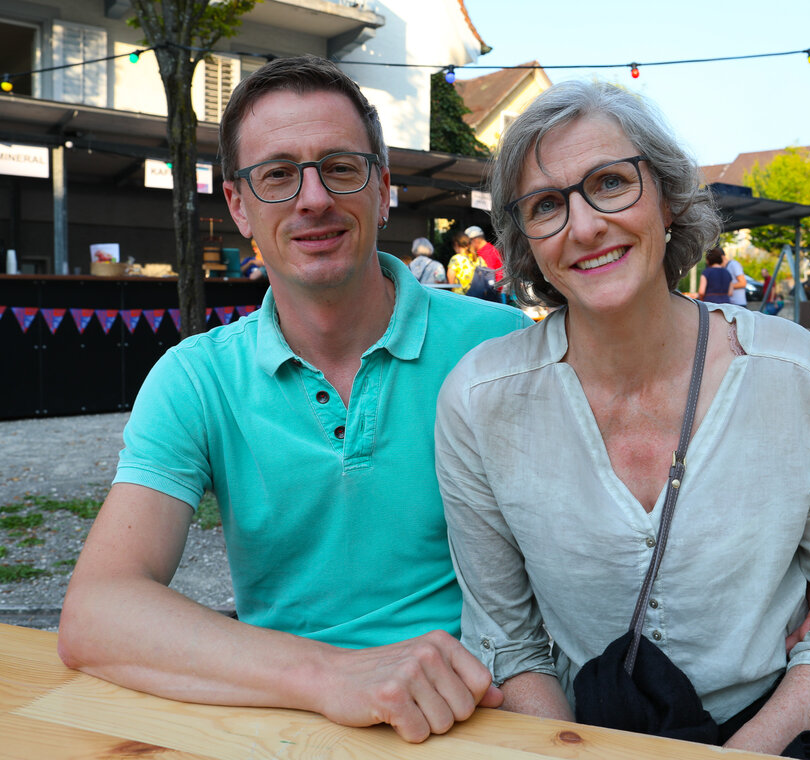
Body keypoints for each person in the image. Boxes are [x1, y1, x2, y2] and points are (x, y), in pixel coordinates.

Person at [435, 80, 810, 758]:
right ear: (527, 242)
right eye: (546, 204)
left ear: (666, 198)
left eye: (609, 183)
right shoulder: (480, 402)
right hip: (588, 730)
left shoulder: (795, 376)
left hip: (782, 720)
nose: (583, 225)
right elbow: (507, 639)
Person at [57, 55, 532, 743]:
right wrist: (332, 676)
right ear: (240, 207)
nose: (313, 199)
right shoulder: (197, 378)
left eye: (341, 166)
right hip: (289, 722)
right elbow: (97, 611)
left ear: (383, 189)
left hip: (483, 717)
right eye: (278, 174)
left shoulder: (502, 347)